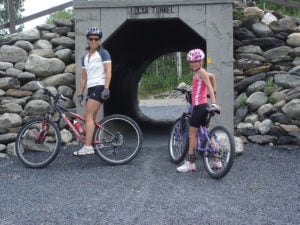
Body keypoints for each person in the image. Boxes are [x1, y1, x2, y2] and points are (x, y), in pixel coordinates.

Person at [177, 48, 221, 172]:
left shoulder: (201, 72)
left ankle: (190, 163)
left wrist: (213, 101)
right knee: (206, 132)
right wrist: (212, 93)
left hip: (199, 107)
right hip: (202, 107)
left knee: (192, 134)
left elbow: (209, 87)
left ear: (200, 61)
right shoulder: (200, 72)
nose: (192, 64)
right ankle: (216, 160)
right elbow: (212, 77)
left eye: (195, 61)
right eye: (190, 62)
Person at [73, 27, 112, 156]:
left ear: (100, 40)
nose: (94, 41)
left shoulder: (103, 53)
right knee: (92, 118)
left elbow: (108, 72)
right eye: (91, 38)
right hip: (91, 88)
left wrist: (106, 88)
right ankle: (96, 140)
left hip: (100, 87)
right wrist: (80, 93)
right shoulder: (85, 57)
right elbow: (83, 77)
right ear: (87, 40)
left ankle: (88, 146)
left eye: (97, 39)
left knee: (87, 116)